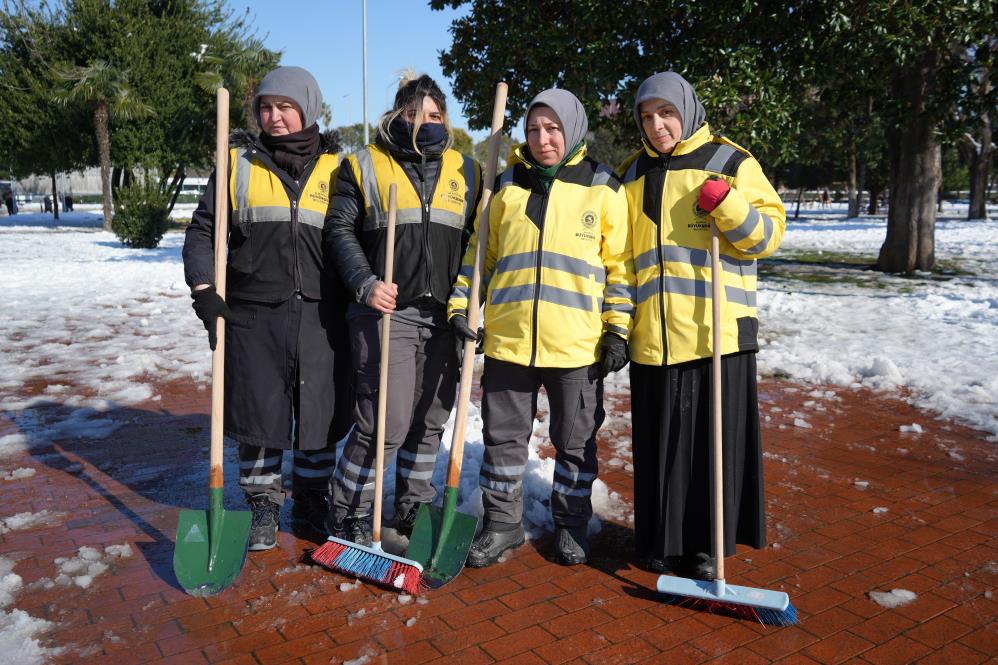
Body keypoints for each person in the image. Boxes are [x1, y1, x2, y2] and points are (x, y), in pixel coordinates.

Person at [448, 89, 634, 567]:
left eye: (552, 129)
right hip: (510, 343)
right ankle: (503, 525)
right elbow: (480, 258)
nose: (542, 139)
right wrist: (461, 308)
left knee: (575, 442)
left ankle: (571, 526)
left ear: (572, 130)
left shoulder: (603, 187)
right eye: (533, 130)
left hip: (577, 347)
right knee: (502, 441)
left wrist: (616, 328)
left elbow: (620, 268)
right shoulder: (504, 185)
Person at [619, 72, 786, 580]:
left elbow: (770, 235)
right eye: (647, 117)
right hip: (655, 336)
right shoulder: (631, 173)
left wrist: (730, 204)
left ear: (686, 111)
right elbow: (623, 258)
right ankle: (661, 541)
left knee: (711, 447)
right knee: (661, 446)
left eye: (666, 114)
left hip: (717, 334)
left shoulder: (730, 160)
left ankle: (706, 545)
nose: (657, 125)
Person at [182, 66, 353, 551]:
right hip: (254, 314)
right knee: (259, 412)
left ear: (308, 109)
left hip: (323, 315)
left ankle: (314, 497)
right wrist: (203, 287)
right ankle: (262, 503)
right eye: (266, 108)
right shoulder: (237, 165)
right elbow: (203, 232)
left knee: (319, 410)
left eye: (285, 107)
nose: (274, 118)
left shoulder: (340, 167)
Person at [323, 73, 482, 544]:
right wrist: (364, 283)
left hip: (445, 317)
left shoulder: (467, 171)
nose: (425, 122)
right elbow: (339, 231)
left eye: (435, 115)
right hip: (386, 313)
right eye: (415, 113)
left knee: (430, 420)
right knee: (384, 423)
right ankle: (349, 508)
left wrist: (472, 302)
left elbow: (478, 243)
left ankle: (413, 504)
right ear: (397, 114)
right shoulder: (364, 165)